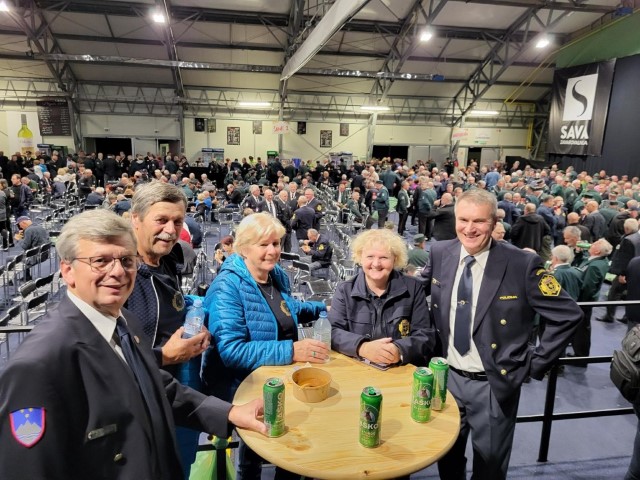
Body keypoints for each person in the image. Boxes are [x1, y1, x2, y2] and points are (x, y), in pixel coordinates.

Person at [0, 210, 266, 480]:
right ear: (68, 271)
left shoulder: (124, 321)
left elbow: (153, 386)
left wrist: (230, 413)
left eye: (127, 260)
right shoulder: (38, 366)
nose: (117, 271)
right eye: (100, 261)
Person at [421, 189, 582, 480]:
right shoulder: (440, 251)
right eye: (463, 220)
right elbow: (416, 291)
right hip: (445, 380)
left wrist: (535, 363)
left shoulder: (521, 263)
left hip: (493, 384)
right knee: (447, 459)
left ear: (495, 222)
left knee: (490, 467)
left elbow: (568, 314)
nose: (469, 229)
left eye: (479, 221)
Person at [202, 212, 328, 480]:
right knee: (254, 454)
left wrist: (324, 308)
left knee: (289, 449)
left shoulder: (275, 275)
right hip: (246, 386)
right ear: (244, 248)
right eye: (263, 244)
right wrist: (291, 350)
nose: (273, 251)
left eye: (276, 243)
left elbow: (286, 309)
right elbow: (232, 351)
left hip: (279, 376)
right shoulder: (227, 286)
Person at [126, 181, 211, 478]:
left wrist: (195, 321)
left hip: (173, 389)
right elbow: (107, 357)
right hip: (139, 403)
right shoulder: (120, 275)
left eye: (177, 221)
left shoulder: (168, 258)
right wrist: (163, 355)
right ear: (136, 219)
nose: (171, 230)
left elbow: (173, 304)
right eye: (161, 220)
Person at [329, 228, 433, 366]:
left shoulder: (413, 288)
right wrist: (362, 347)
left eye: (384, 257)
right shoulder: (345, 290)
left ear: (395, 259)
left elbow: (425, 335)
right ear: (360, 258)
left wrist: (399, 350)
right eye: (370, 257)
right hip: (358, 368)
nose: (376, 264)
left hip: (398, 369)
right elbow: (332, 331)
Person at [15, 216, 50, 280]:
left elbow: (25, 246)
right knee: (25, 253)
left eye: (19, 225)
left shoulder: (28, 230)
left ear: (23, 223)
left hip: (36, 256)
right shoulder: (40, 227)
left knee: (18, 258)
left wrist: (19, 239)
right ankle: (26, 276)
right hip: (45, 253)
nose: (20, 227)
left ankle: (18, 278)